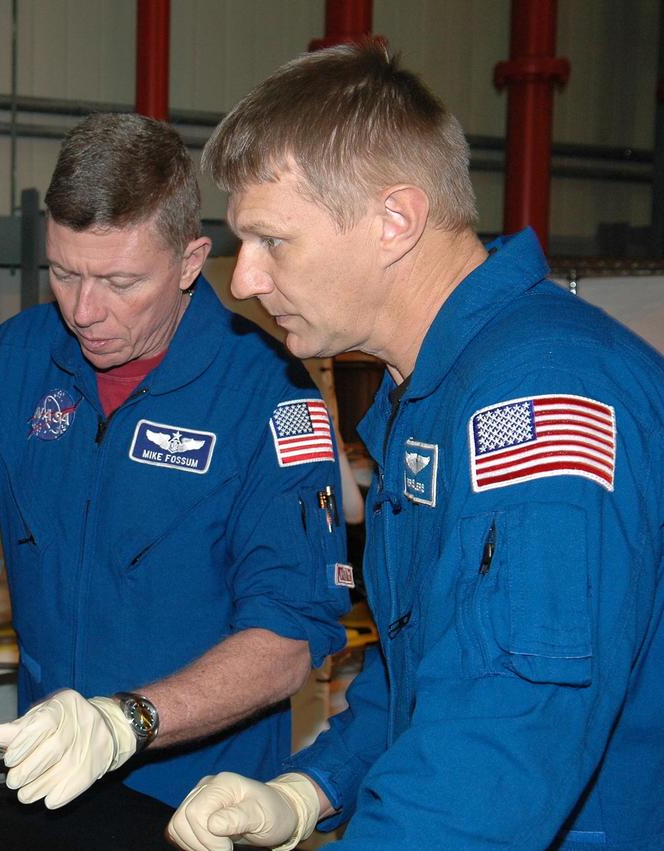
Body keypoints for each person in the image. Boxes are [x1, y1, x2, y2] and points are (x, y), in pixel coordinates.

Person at [168, 40, 664, 850]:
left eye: (272, 241)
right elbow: (426, 673)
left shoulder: (537, 400)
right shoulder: (433, 393)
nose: (246, 279)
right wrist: (310, 786)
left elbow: (495, 753)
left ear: (395, 220)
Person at [0, 112, 352, 809]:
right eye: (64, 274)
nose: (85, 310)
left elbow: (288, 639)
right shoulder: (19, 360)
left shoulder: (265, 393)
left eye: (121, 282)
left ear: (190, 262)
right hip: (46, 778)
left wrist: (126, 720)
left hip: (202, 800)